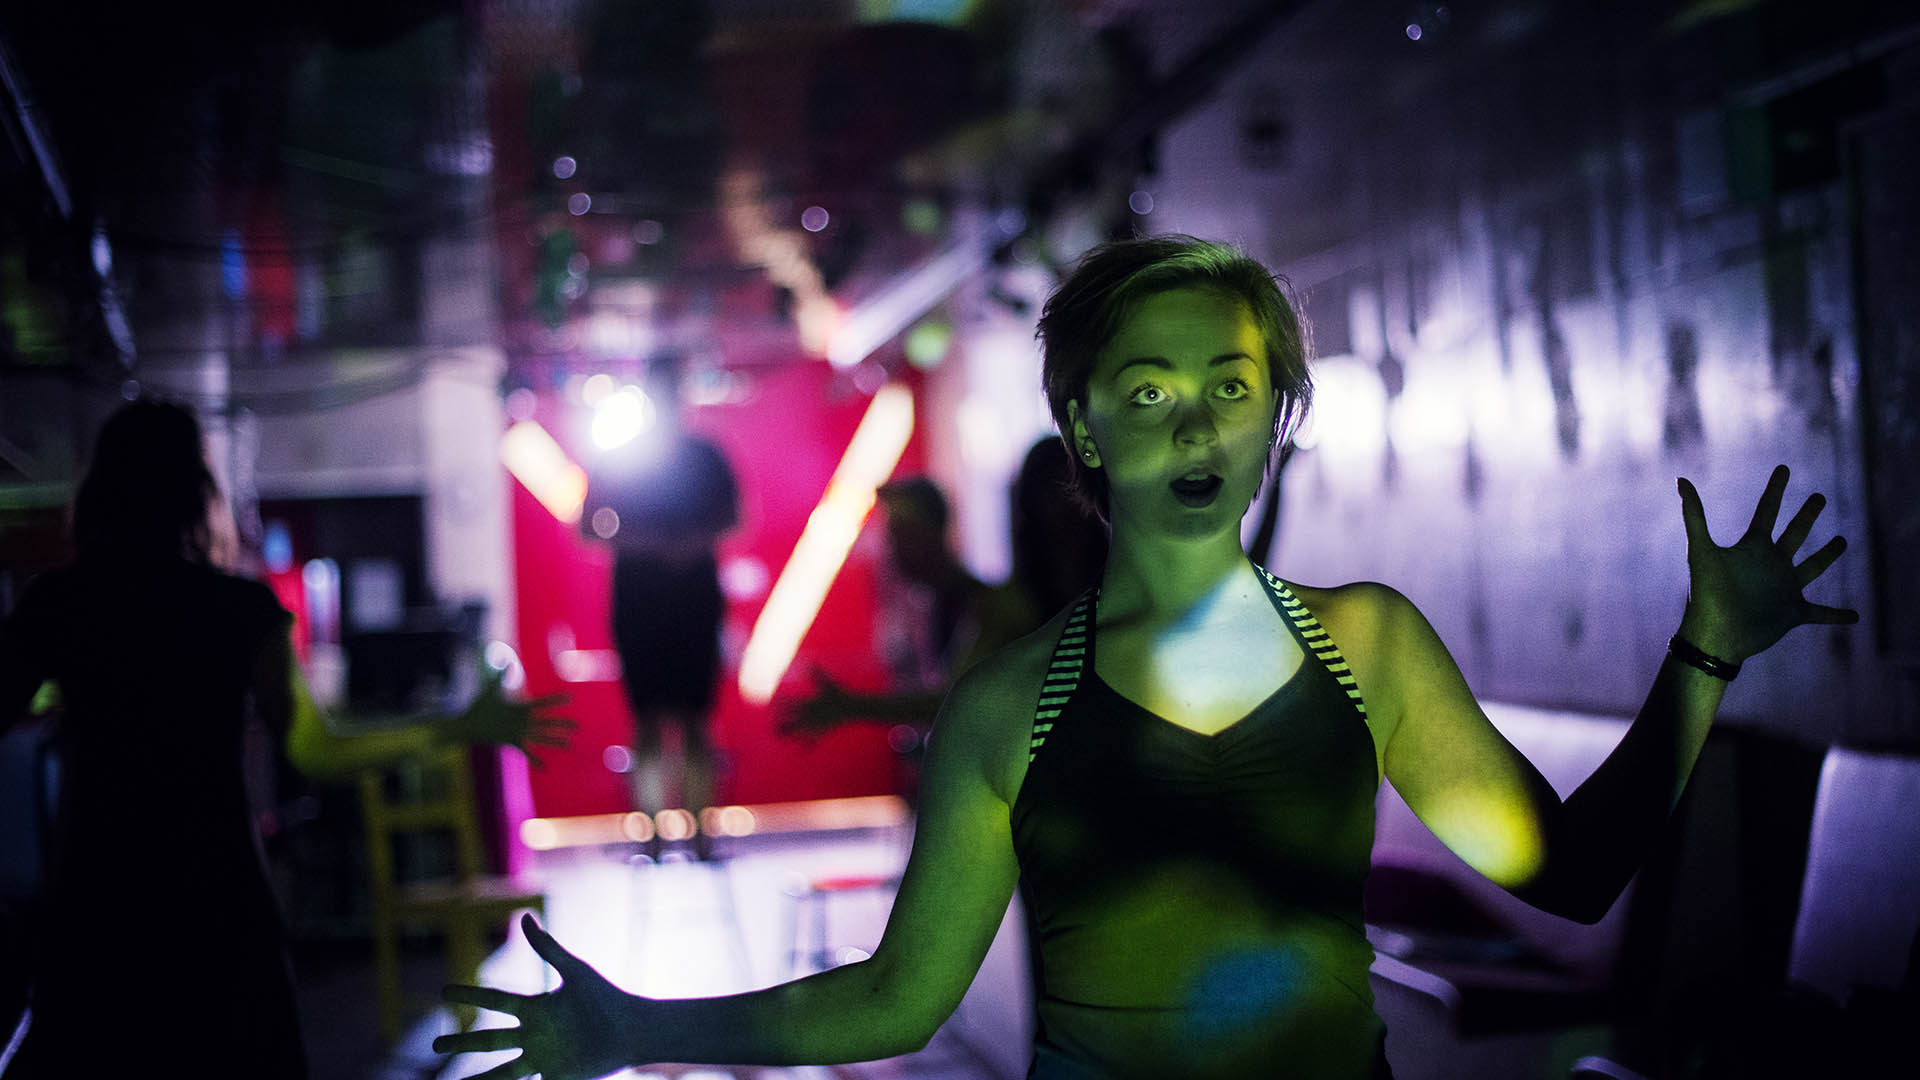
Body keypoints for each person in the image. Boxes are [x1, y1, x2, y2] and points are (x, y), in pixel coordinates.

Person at [435, 235, 1855, 1080]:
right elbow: (896, 998)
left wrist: (1705, 652)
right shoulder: (1010, 703)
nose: (1192, 425)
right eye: (1149, 388)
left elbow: (1575, 871)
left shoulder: (1365, 642)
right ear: (1086, 427)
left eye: (1231, 386)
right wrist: (635, 1028)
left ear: (1276, 418)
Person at [0, 399, 569, 1078]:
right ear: (195, 492)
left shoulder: (57, 605)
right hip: (217, 896)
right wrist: (453, 727)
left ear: (103, 489)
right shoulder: (240, 610)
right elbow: (314, 750)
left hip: (97, 898)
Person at [587, 353, 740, 855]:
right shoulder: (625, 457)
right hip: (642, 602)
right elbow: (588, 525)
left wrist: (685, 545)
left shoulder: (704, 455)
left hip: (690, 600)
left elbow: (734, 517)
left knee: (694, 720)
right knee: (650, 721)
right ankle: (655, 835)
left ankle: (699, 835)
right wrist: (651, 545)